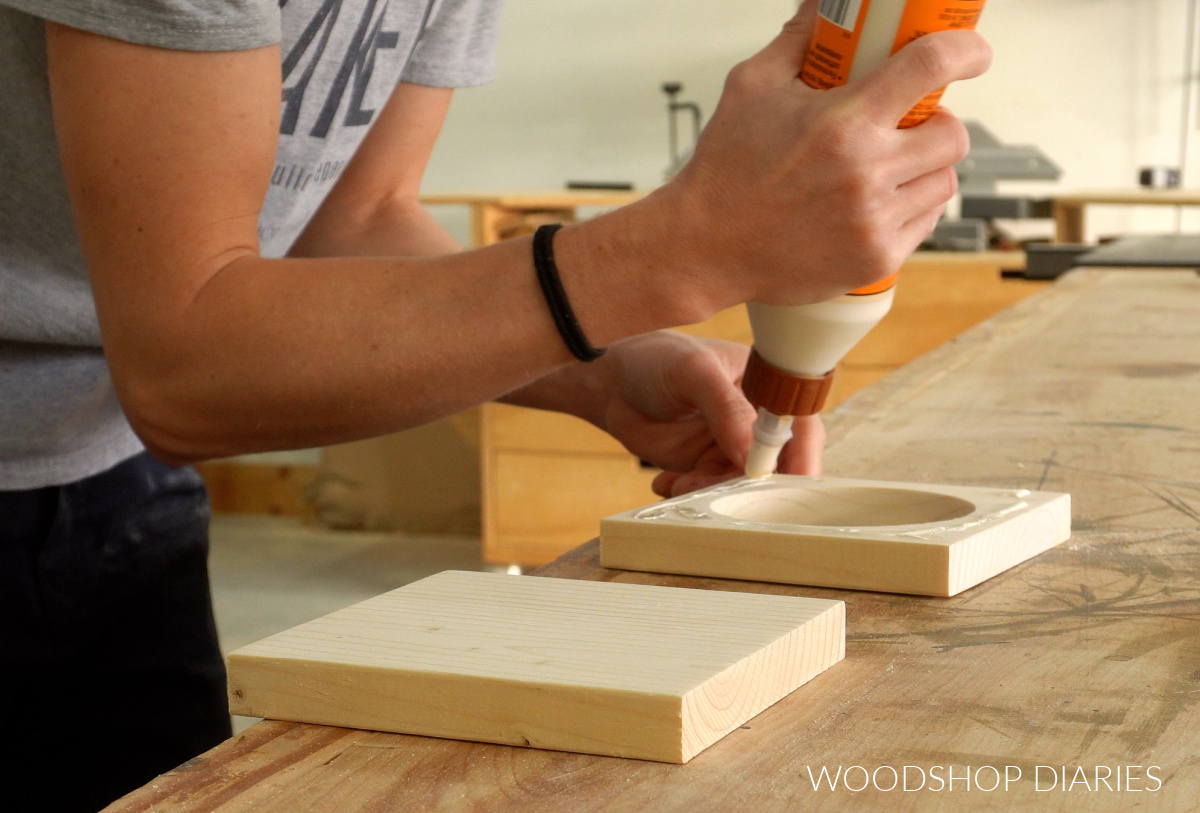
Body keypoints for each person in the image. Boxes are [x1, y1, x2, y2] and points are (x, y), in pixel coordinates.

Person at [0, 0, 990, 807]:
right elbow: (186, 364)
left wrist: (608, 367)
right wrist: (673, 249)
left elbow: (354, 220)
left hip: (105, 468)